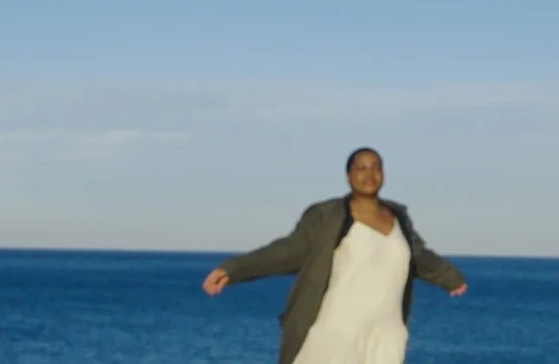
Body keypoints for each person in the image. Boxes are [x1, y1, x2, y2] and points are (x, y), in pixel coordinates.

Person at [201, 147, 468, 364]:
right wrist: (234, 269)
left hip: (385, 335)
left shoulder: (398, 218)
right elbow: (285, 251)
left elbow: (418, 256)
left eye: (376, 167)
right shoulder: (329, 217)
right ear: (348, 176)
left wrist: (449, 277)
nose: (369, 173)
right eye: (361, 168)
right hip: (335, 333)